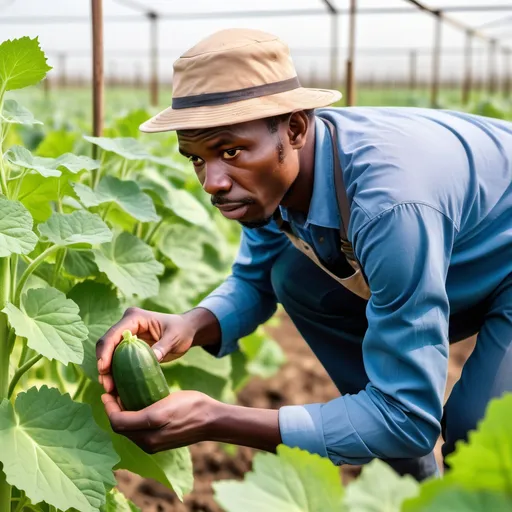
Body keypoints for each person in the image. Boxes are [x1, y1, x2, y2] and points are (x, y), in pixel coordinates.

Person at [96, 28, 512, 482]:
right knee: (294, 277)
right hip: (462, 251)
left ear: (295, 127)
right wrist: (189, 325)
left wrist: (217, 419)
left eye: (229, 150)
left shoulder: (385, 203)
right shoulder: (278, 179)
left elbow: (410, 419)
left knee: (481, 433)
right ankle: (410, 485)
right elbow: (255, 281)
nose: (212, 181)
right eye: (196, 158)